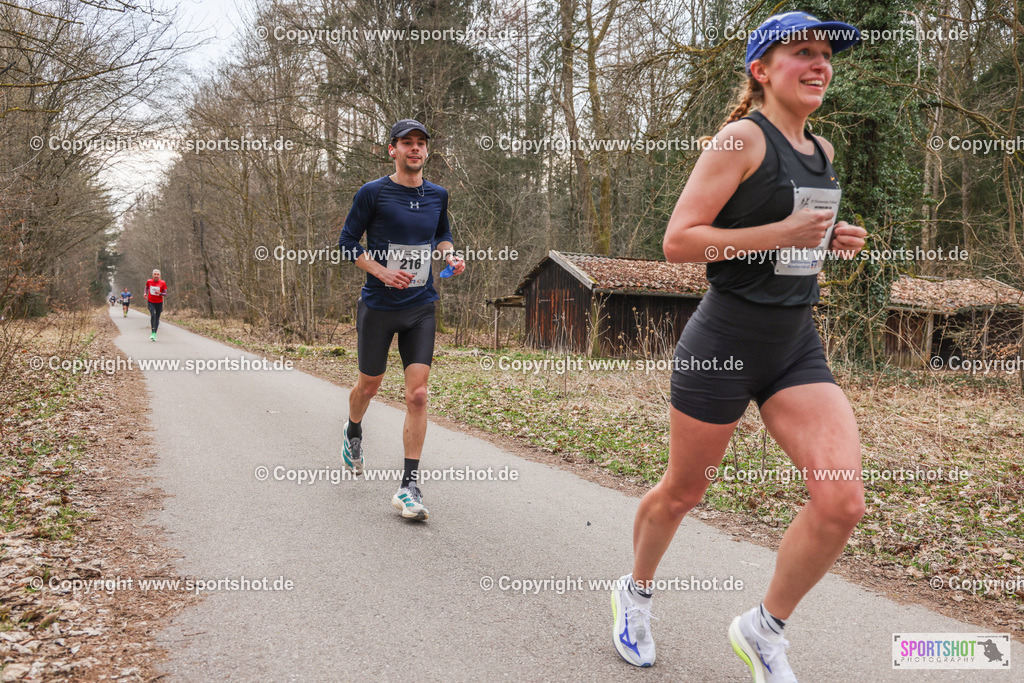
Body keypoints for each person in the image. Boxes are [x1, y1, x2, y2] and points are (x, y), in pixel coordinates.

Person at [611, 12, 868, 680]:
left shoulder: (824, 151)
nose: (819, 65)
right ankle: (634, 593)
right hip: (723, 337)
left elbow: (790, 238)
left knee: (842, 501)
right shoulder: (739, 139)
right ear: (761, 71)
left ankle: (763, 628)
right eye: (802, 53)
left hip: (794, 344)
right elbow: (679, 240)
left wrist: (828, 238)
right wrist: (782, 231)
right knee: (684, 490)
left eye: (825, 56)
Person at [337, 118, 464, 521]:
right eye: (406, 143)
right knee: (369, 385)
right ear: (391, 149)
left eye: (421, 143)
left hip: (421, 306)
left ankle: (409, 486)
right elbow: (345, 244)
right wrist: (381, 272)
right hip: (377, 305)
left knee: (418, 394)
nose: (415, 149)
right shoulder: (372, 193)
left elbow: (441, 233)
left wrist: (449, 254)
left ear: (427, 151)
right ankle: (353, 429)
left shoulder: (438, 194)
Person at [145, 269, 168, 341]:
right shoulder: (149, 281)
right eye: (155, 274)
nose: (156, 276)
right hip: (151, 302)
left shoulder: (163, 283)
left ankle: (154, 333)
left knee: (157, 318)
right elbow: (146, 287)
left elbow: (165, 293)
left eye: (157, 274)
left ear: (160, 276)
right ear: (153, 275)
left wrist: (160, 293)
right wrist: (145, 293)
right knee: (153, 315)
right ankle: (153, 332)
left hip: (159, 302)